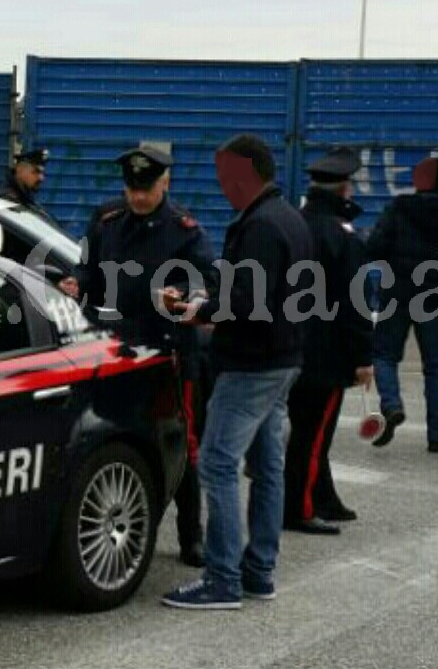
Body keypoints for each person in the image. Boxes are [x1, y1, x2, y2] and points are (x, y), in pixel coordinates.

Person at [161, 134, 312, 610]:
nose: (222, 185)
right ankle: (259, 571)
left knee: (219, 463)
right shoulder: (289, 217)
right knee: (268, 466)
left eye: (228, 175)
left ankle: (222, 579)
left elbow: (246, 301)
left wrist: (195, 311)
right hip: (284, 358)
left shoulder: (261, 226)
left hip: (251, 364)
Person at [59, 145, 218, 567]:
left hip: (167, 353)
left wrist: (183, 296)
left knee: (181, 443)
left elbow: (210, 283)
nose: (138, 198)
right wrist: (75, 283)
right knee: (113, 438)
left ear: (165, 183)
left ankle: (191, 535)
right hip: (114, 350)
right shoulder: (107, 220)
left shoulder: (184, 229)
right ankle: (119, 524)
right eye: (132, 189)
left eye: (146, 189)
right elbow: (87, 268)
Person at [283, 148, 373, 536]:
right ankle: (300, 508)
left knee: (306, 428)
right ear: (345, 189)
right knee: (313, 433)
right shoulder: (342, 236)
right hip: (328, 353)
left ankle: (324, 497)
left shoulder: (294, 224)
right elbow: (355, 303)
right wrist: (363, 358)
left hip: (290, 345)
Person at [366, 156, 438, 453]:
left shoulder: (398, 209)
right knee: (436, 368)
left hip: (397, 292)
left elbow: (375, 248)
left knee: (384, 355)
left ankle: (392, 405)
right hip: (434, 295)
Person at [0, 148, 58, 225]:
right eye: (36, 171)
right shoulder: (7, 202)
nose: (41, 178)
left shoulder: (25, 199)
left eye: (42, 173)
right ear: (19, 170)